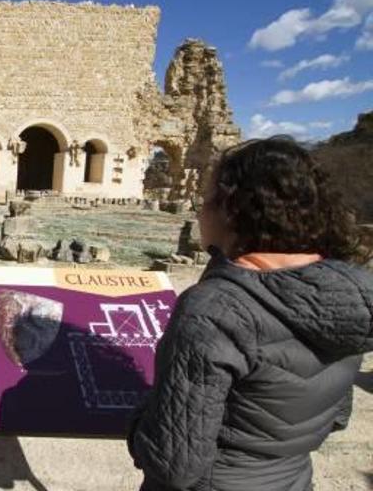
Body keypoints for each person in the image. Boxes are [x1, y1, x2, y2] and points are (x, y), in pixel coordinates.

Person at [127, 136, 373, 491]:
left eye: (207, 199)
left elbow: (174, 462)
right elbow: (336, 417)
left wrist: (139, 417)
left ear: (231, 210)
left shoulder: (215, 309)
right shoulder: (351, 297)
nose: (200, 210)